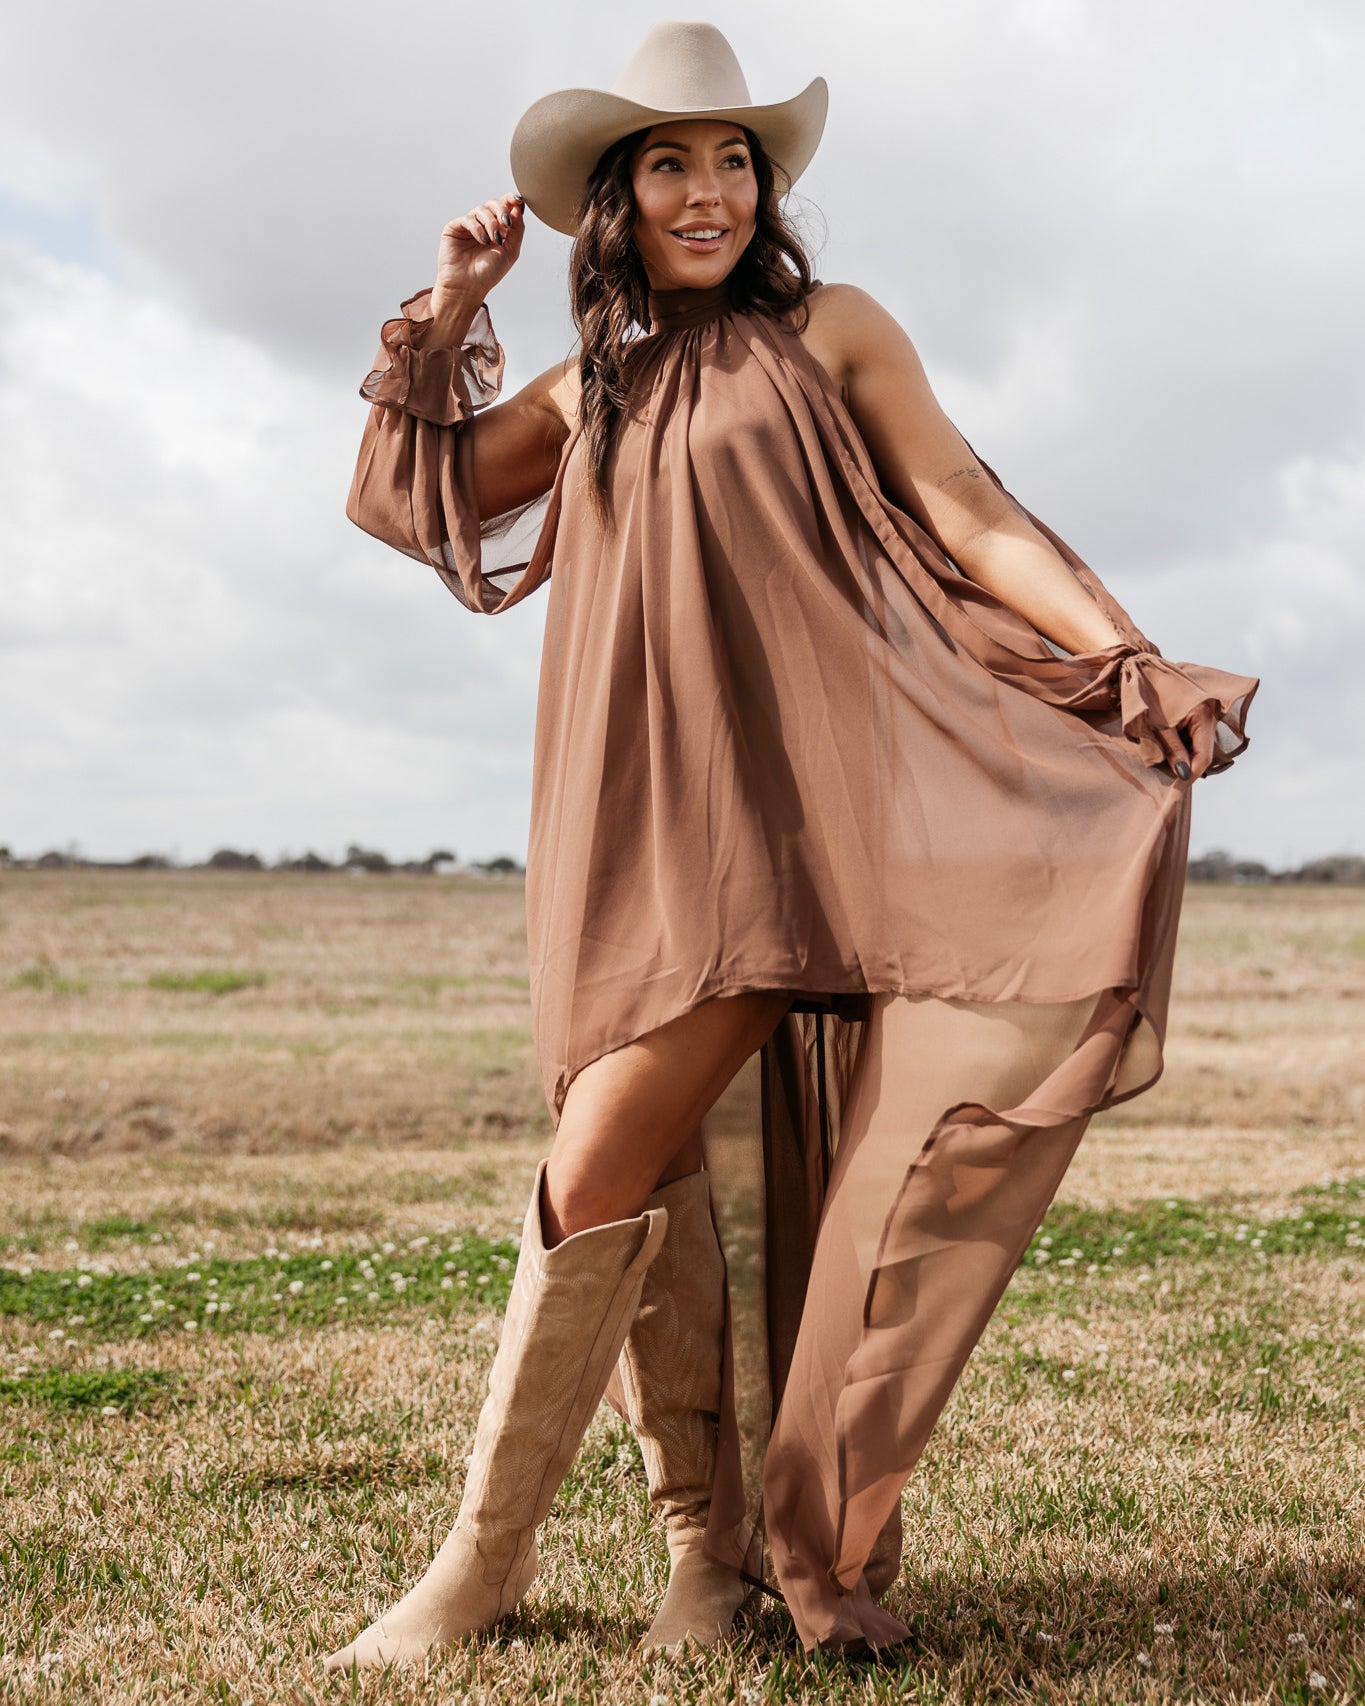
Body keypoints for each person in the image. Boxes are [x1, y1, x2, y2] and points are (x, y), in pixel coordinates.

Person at [323, 20, 1257, 1673]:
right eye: (669, 164)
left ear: (766, 181)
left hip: (797, 820)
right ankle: (695, 1552)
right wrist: (450, 307)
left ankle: (497, 1565)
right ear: (614, 199)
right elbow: (420, 497)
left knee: (598, 1161)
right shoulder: (594, 375)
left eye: (731, 158)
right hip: (630, 809)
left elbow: (968, 512)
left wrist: (1121, 658)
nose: (706, 191)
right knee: (628, 1165)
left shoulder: (832, 332)